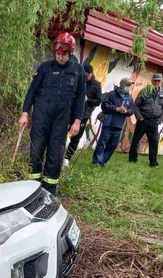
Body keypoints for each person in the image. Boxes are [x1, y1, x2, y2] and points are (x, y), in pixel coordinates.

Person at [19, 32, 86, 195]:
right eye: (58, 53)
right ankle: (32, 190)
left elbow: (80, 98)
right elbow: (32, 91)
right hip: (41, 117)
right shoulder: (45, 67)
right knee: (35, 153)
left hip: (61, 121)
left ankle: (49, 193)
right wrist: (25, 113)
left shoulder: (78, 71)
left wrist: (77, 121)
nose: (60, 57)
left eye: (63, 54)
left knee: (55, 157)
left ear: (70, 52)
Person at [65, 63, 102, 166]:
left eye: (87, 75)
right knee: (62, 134)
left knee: (75, 138)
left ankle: (67, 158)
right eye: (84, 74)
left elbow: (98, 101)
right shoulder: (78, 80)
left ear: (91, 74)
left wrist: (88, 100)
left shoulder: (96, 85)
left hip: (83, 115)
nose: (86, 76)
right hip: (70, 113)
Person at [92, 78, 135, 167]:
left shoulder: (129, 98)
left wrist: (126, 111)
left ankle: (103, 161)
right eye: (127, 85)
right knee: (102, 143)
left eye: (130, 85)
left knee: (113, 145)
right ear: (121, 85)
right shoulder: (112, 94)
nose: (129, 87)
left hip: (119, 125)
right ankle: (97, 162)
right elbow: (104, 106)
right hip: (108, 124)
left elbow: (132, 110)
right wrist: (116, 108)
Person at [129, 72, 163, 166]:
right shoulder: (145, 90)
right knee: (136, 140)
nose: (157, 82)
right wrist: (140, 118)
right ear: (152, 81)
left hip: (154, 121)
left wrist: (160, 119)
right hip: (143, 120)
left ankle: (153, 163)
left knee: (154, 142)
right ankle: (132, 159)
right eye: (155, 80)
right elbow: (136, 105)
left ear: (161, 81)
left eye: (159, 81)